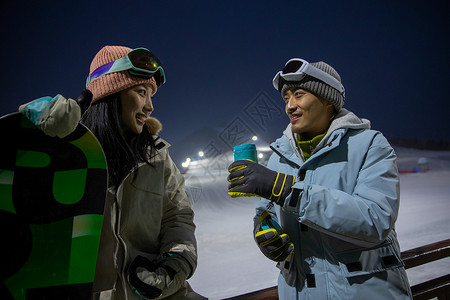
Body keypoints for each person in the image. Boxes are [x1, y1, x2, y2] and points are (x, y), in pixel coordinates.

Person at [19, 45, 204, 299]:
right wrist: (39, 134)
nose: (150, 106)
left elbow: (178, 217)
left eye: (152, 96)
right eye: (141, 92)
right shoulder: (70, 152)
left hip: (159, 293)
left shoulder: (157, 156)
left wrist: (175, 264)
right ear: (111, 93)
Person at [227, 58, 412, 299]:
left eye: (299, 94)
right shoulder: (281, 156)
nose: (289, 106)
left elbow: (375, 220)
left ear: (328, 100)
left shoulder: (369, 145)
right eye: (286, 98)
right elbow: (266, 211)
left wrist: (288, 190)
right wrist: (264, 231)